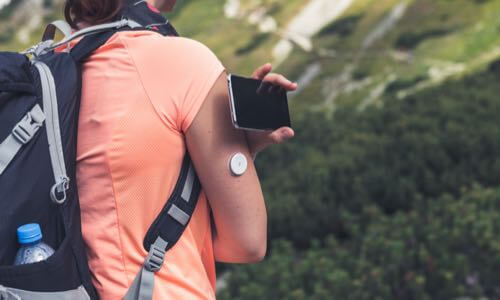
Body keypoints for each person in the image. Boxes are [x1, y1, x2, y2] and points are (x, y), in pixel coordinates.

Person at [66, 0, 298, 298]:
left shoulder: (56, 63)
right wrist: (238, 153)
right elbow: (246, 244)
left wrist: (241, 147)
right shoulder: (183, 62)